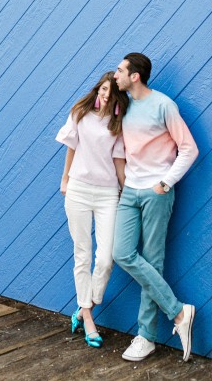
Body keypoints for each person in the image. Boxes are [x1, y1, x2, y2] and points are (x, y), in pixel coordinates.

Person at [112, 52, 199, 363]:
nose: (115, 74)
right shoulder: (123, 107)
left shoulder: (163, 105)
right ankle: (178, 312)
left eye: (121, 70)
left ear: (136, 76)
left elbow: (189, 148)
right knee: (121, 253)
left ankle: (146, 337)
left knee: (153, 260)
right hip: (130, 192)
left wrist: (166, 182)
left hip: (156, 192)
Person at [56, 72, 129, 348]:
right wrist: (65, 179)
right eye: (103, 90)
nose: (105, 96)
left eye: (110, 93)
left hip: (108, 192)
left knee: (106, 258)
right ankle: (88, 317)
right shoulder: (80, 113)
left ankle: (84, 307)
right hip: (79, 189)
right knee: (82, 254)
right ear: (98, 88)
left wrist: (126, 191)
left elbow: (119, 160)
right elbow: (71, 148)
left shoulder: (117, 124)